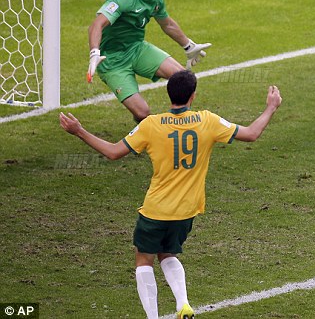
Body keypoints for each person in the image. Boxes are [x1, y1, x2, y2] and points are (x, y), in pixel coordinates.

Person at [59, 71, 283, 318]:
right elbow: (251, 134)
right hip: (187, 211)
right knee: (167, 253)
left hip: (156, 210)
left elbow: (113, 152)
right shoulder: (207, 121)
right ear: (193, 95)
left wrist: (79, 131)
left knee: (144, 260)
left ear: (169, 94)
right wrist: (271, 107)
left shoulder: (151, 125)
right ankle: (183, 304)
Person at [88, 0, 211, 122]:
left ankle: (182, 123)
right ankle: (143, 135)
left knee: (183, 80)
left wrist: (188, 45)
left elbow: (167, 24)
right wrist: (94, 52)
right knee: (143, 113)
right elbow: (97, 24)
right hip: (112, 61)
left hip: (136, 49)